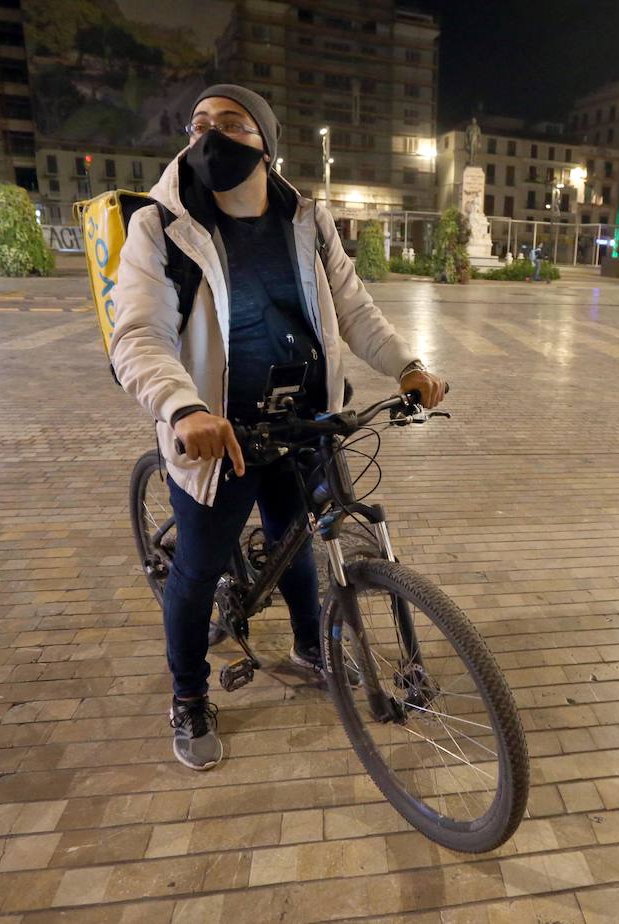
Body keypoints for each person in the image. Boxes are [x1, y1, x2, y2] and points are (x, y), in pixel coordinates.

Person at [110, 85, 447, 771]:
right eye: (200, 123)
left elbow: (354, 311)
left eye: (231, 124)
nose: (211, 136)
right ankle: (188, 695)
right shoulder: (160, 223)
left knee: (299, 543)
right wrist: (183, 408)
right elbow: (139, 334)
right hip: (217, 433)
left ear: (266, 141)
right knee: (199, 569)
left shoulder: (306, 219)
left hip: (302, 420)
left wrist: (407, 364)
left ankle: (308, 649)